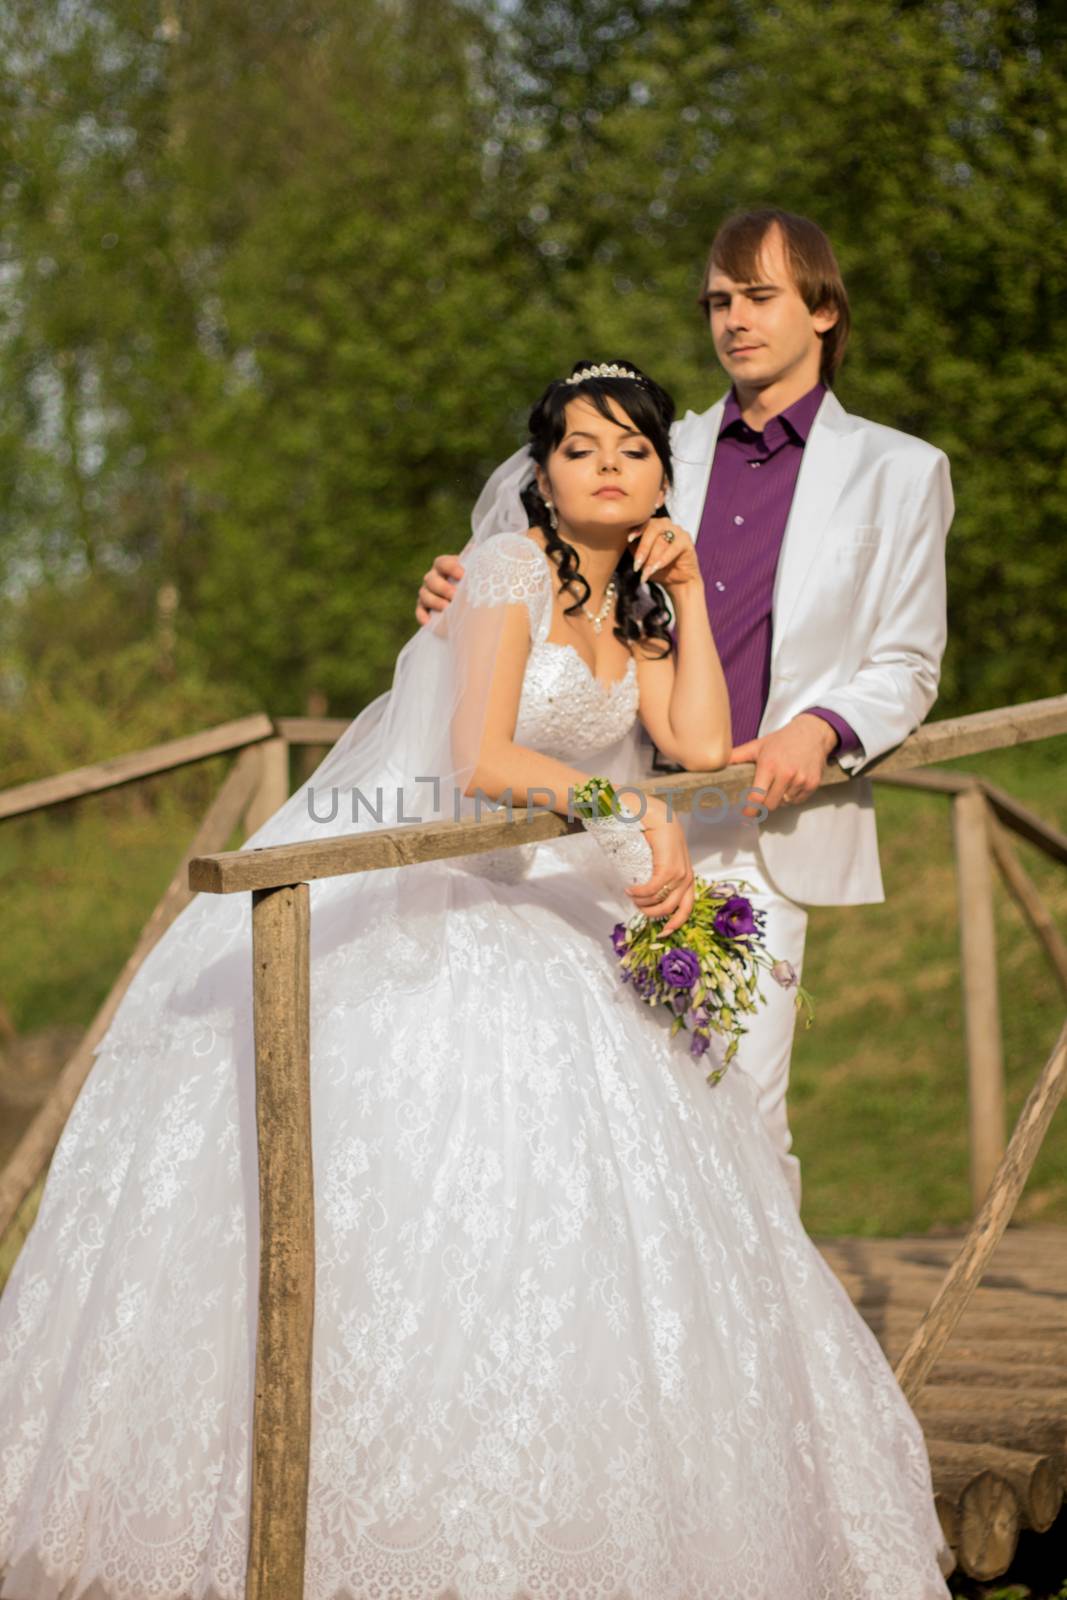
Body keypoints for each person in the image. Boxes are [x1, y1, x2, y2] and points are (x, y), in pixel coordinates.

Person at [0, 363, 952, 1599]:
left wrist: (689, 595)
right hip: (443, 884)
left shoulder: (648, 605)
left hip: (550, 895)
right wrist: (617, 811)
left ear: (664, 475)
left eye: (632, 450)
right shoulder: (503, 573)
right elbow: (482, 754)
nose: (607, 466)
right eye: (577, 450)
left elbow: (706, 746)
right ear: (542, 477)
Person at [417, 209, 955, 1211]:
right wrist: (455, 597)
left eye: (758, 297)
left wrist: (826, 727)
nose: (733, 320)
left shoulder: (899, 471)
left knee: (743, 1113)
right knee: (620, 1118)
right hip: (614, 820)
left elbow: (907, 659)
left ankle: (776, 1364)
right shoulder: (656, 443)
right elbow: (548, 559)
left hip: (766, 823)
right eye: (717, 300)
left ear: (823, 309)